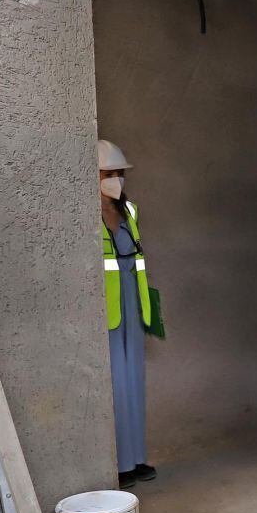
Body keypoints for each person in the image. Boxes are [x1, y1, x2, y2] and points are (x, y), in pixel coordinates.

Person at [99, 139, 157, 490]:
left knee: (133, 383)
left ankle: (135, 460)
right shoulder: (84, 215)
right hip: (106, 313)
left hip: (131, 308)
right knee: (116, 387)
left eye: (119, 173)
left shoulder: (129, 212)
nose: (116, 179)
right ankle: (117, 464)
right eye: (108, 173)